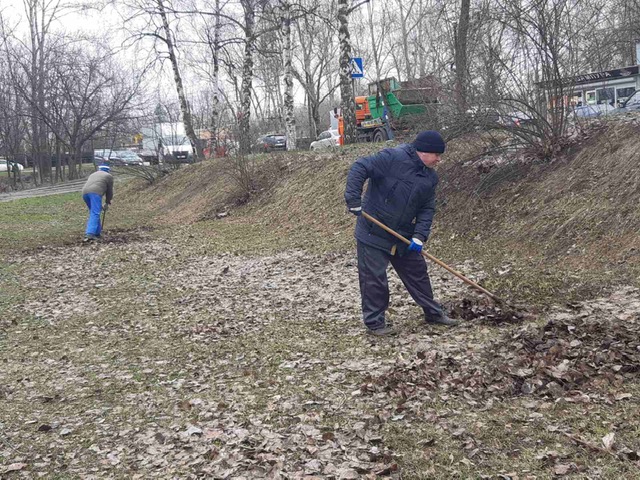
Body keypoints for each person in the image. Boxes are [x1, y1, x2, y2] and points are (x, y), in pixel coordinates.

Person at [344, 130, 459, 336]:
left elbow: (427, 208)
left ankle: (433, 313)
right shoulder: (392, 158)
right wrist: (353, 199)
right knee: (374, 280)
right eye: (436, 155)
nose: (439, 160)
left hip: (403, 234)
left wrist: (419, 236)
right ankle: (375, 323)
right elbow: (360, 166)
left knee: (418, 273)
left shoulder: (429, 178)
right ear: (424, 151)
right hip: (373, 231)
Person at [81, 164, 113, 242]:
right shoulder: (108, 176)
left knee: (94, 212)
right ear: (108, 170)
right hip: (95, 193)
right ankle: (90, 234)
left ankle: (97, 233)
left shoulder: (93, 174)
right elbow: (109, 191)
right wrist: (107, 202)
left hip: (84, 193)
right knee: (95, 213)